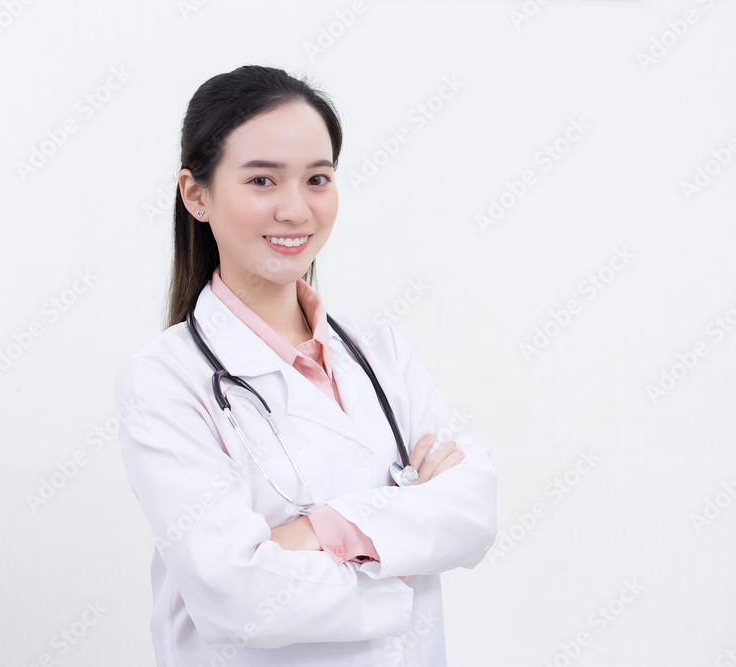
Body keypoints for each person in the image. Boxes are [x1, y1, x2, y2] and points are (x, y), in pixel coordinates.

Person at [114, 64, 497, 667]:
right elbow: (234, 596)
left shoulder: (381, 352)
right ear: (196, 195)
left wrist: (317, 530)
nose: (296, 209)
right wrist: (400, 547)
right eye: (262, 180)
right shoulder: (164, 380)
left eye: (317, 179)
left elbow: (474, 508)